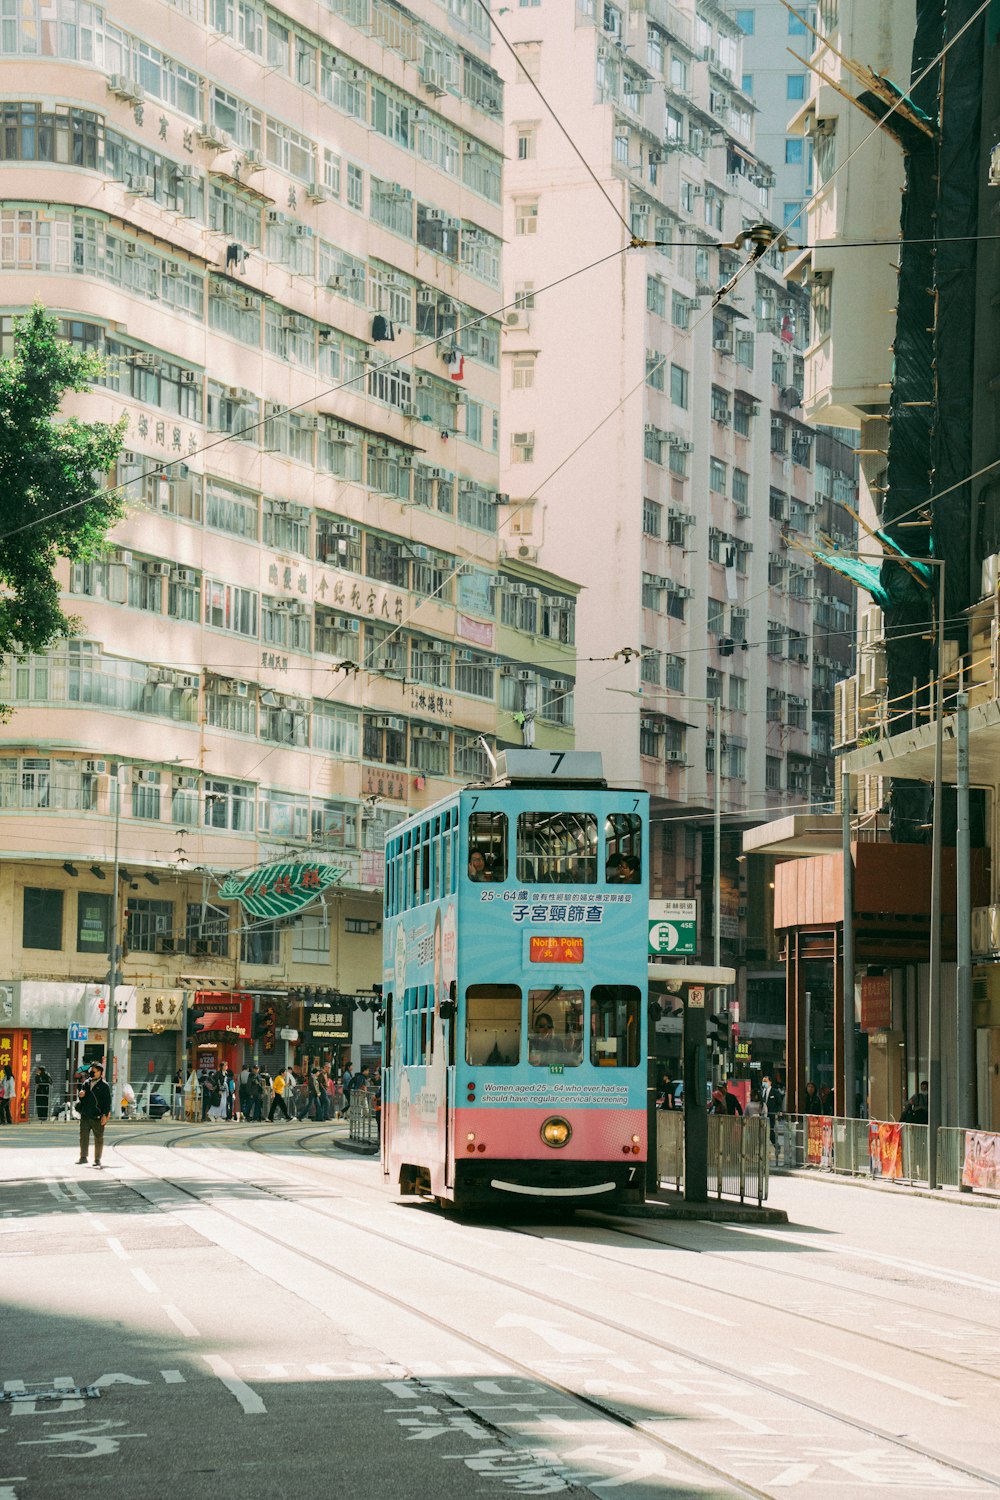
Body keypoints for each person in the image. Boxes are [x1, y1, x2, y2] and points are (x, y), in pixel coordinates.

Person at [76, 1061, 112, 1167]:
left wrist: (105, 1115)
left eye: (94, 1071)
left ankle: (97, 1159)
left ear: (100, 1072)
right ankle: (83, 1157)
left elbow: (107, 1102)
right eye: (91, 1071)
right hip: (85, 1115)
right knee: (83, 1136)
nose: (92, 1073)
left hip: (97, 1116)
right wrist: (81, 1095)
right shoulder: (86, 1083)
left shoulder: (104, 1086)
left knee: (99, 1138)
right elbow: (81, 1096)